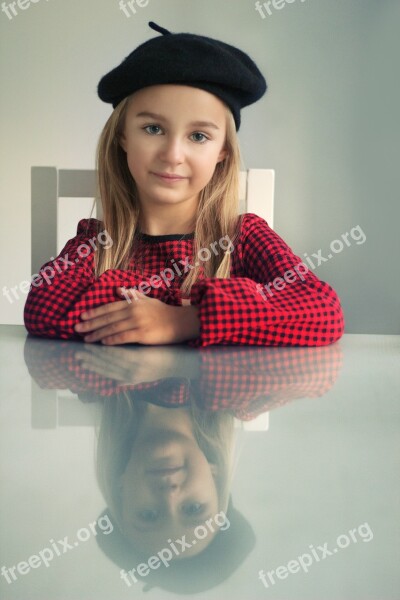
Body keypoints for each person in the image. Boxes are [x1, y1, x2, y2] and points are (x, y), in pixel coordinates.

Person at [24, 21, 345, 348]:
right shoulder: (97, 242)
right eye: (152, 129)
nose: (173, 154)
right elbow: (43, 307)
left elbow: (323, 312)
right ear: (122, 136)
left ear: (222, 151)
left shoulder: (243, 238)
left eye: (198, 136)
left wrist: (182, 320)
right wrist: (203, 305)